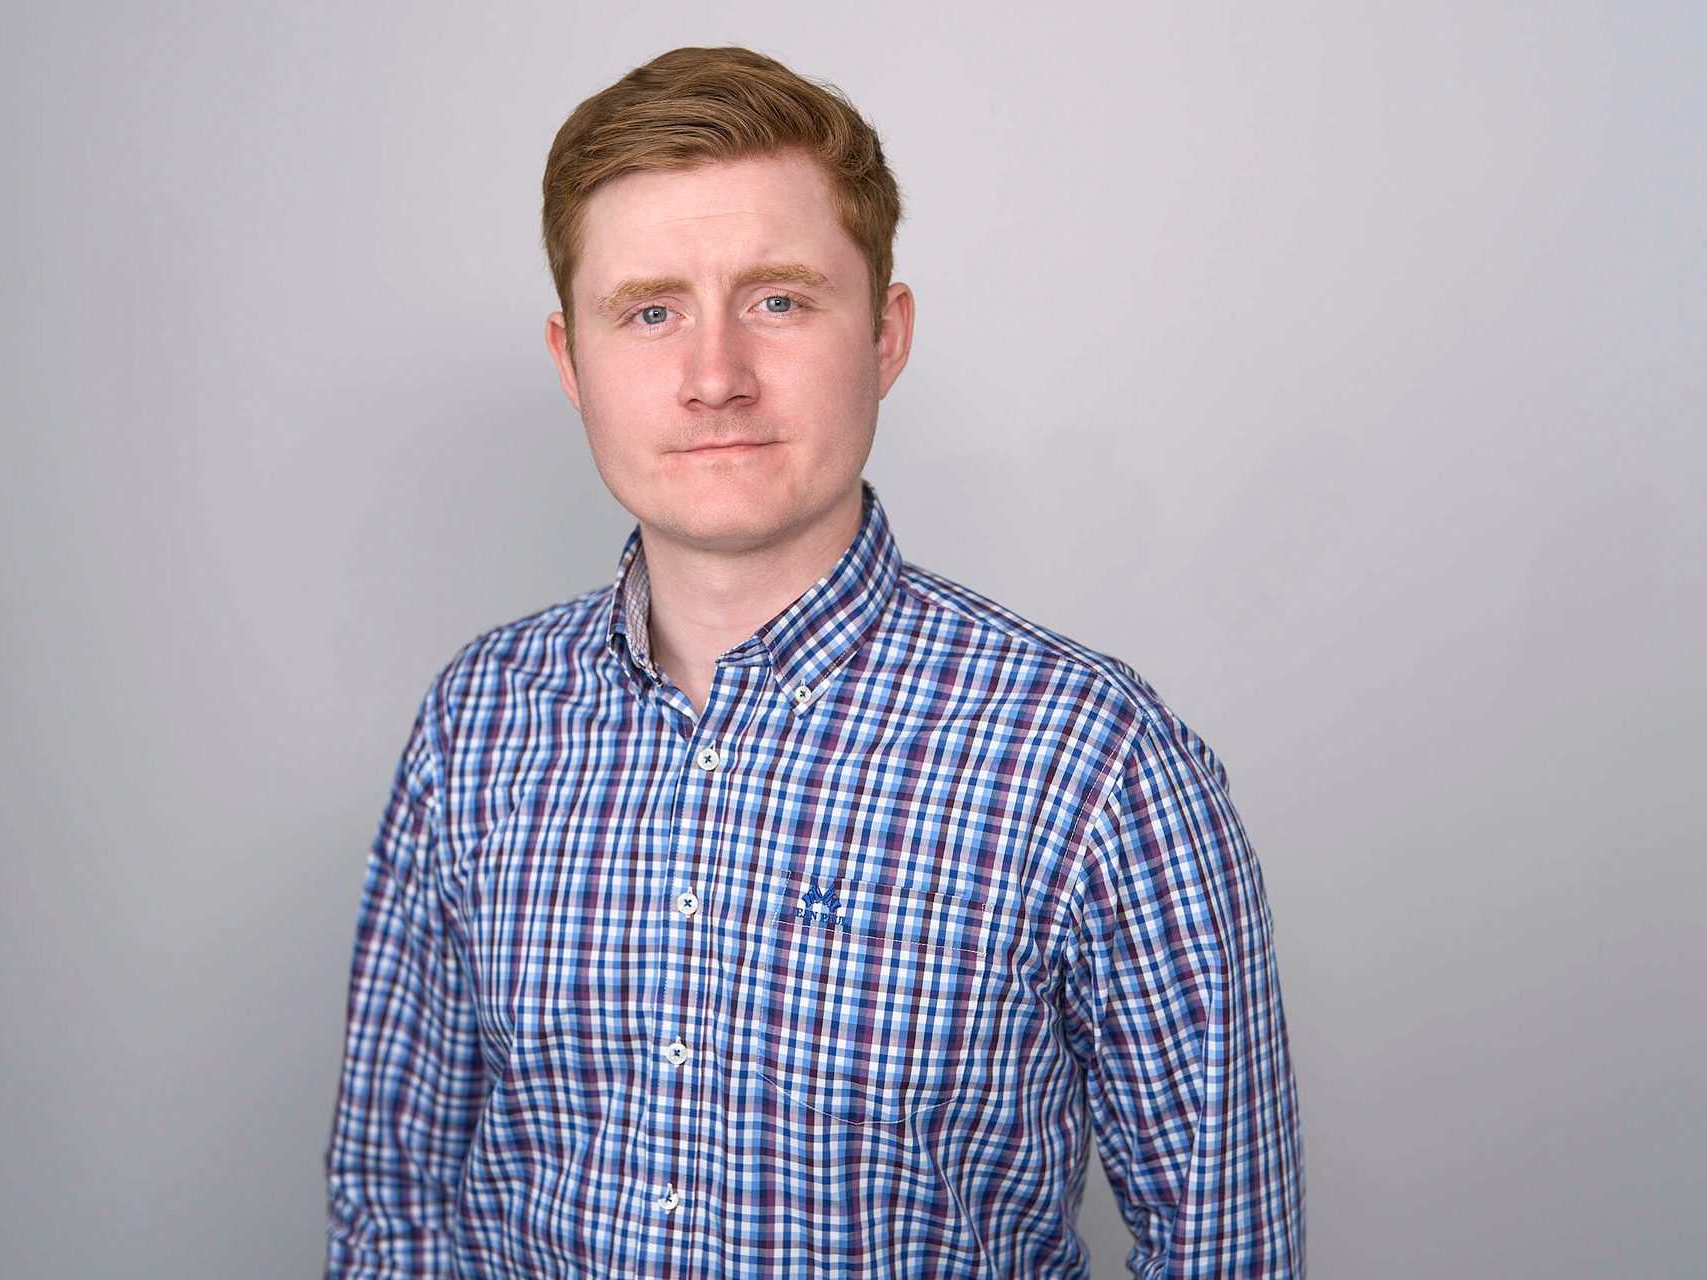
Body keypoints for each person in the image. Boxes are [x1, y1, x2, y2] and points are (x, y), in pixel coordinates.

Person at [324, 45, 1303, 1279]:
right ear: (572, 363)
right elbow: (392, 1197)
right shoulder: (480, 721)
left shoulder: (1097, 764)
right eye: (650, 310)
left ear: (886, 335)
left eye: (780, 298)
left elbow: (1228, 1253)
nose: (715, 377)